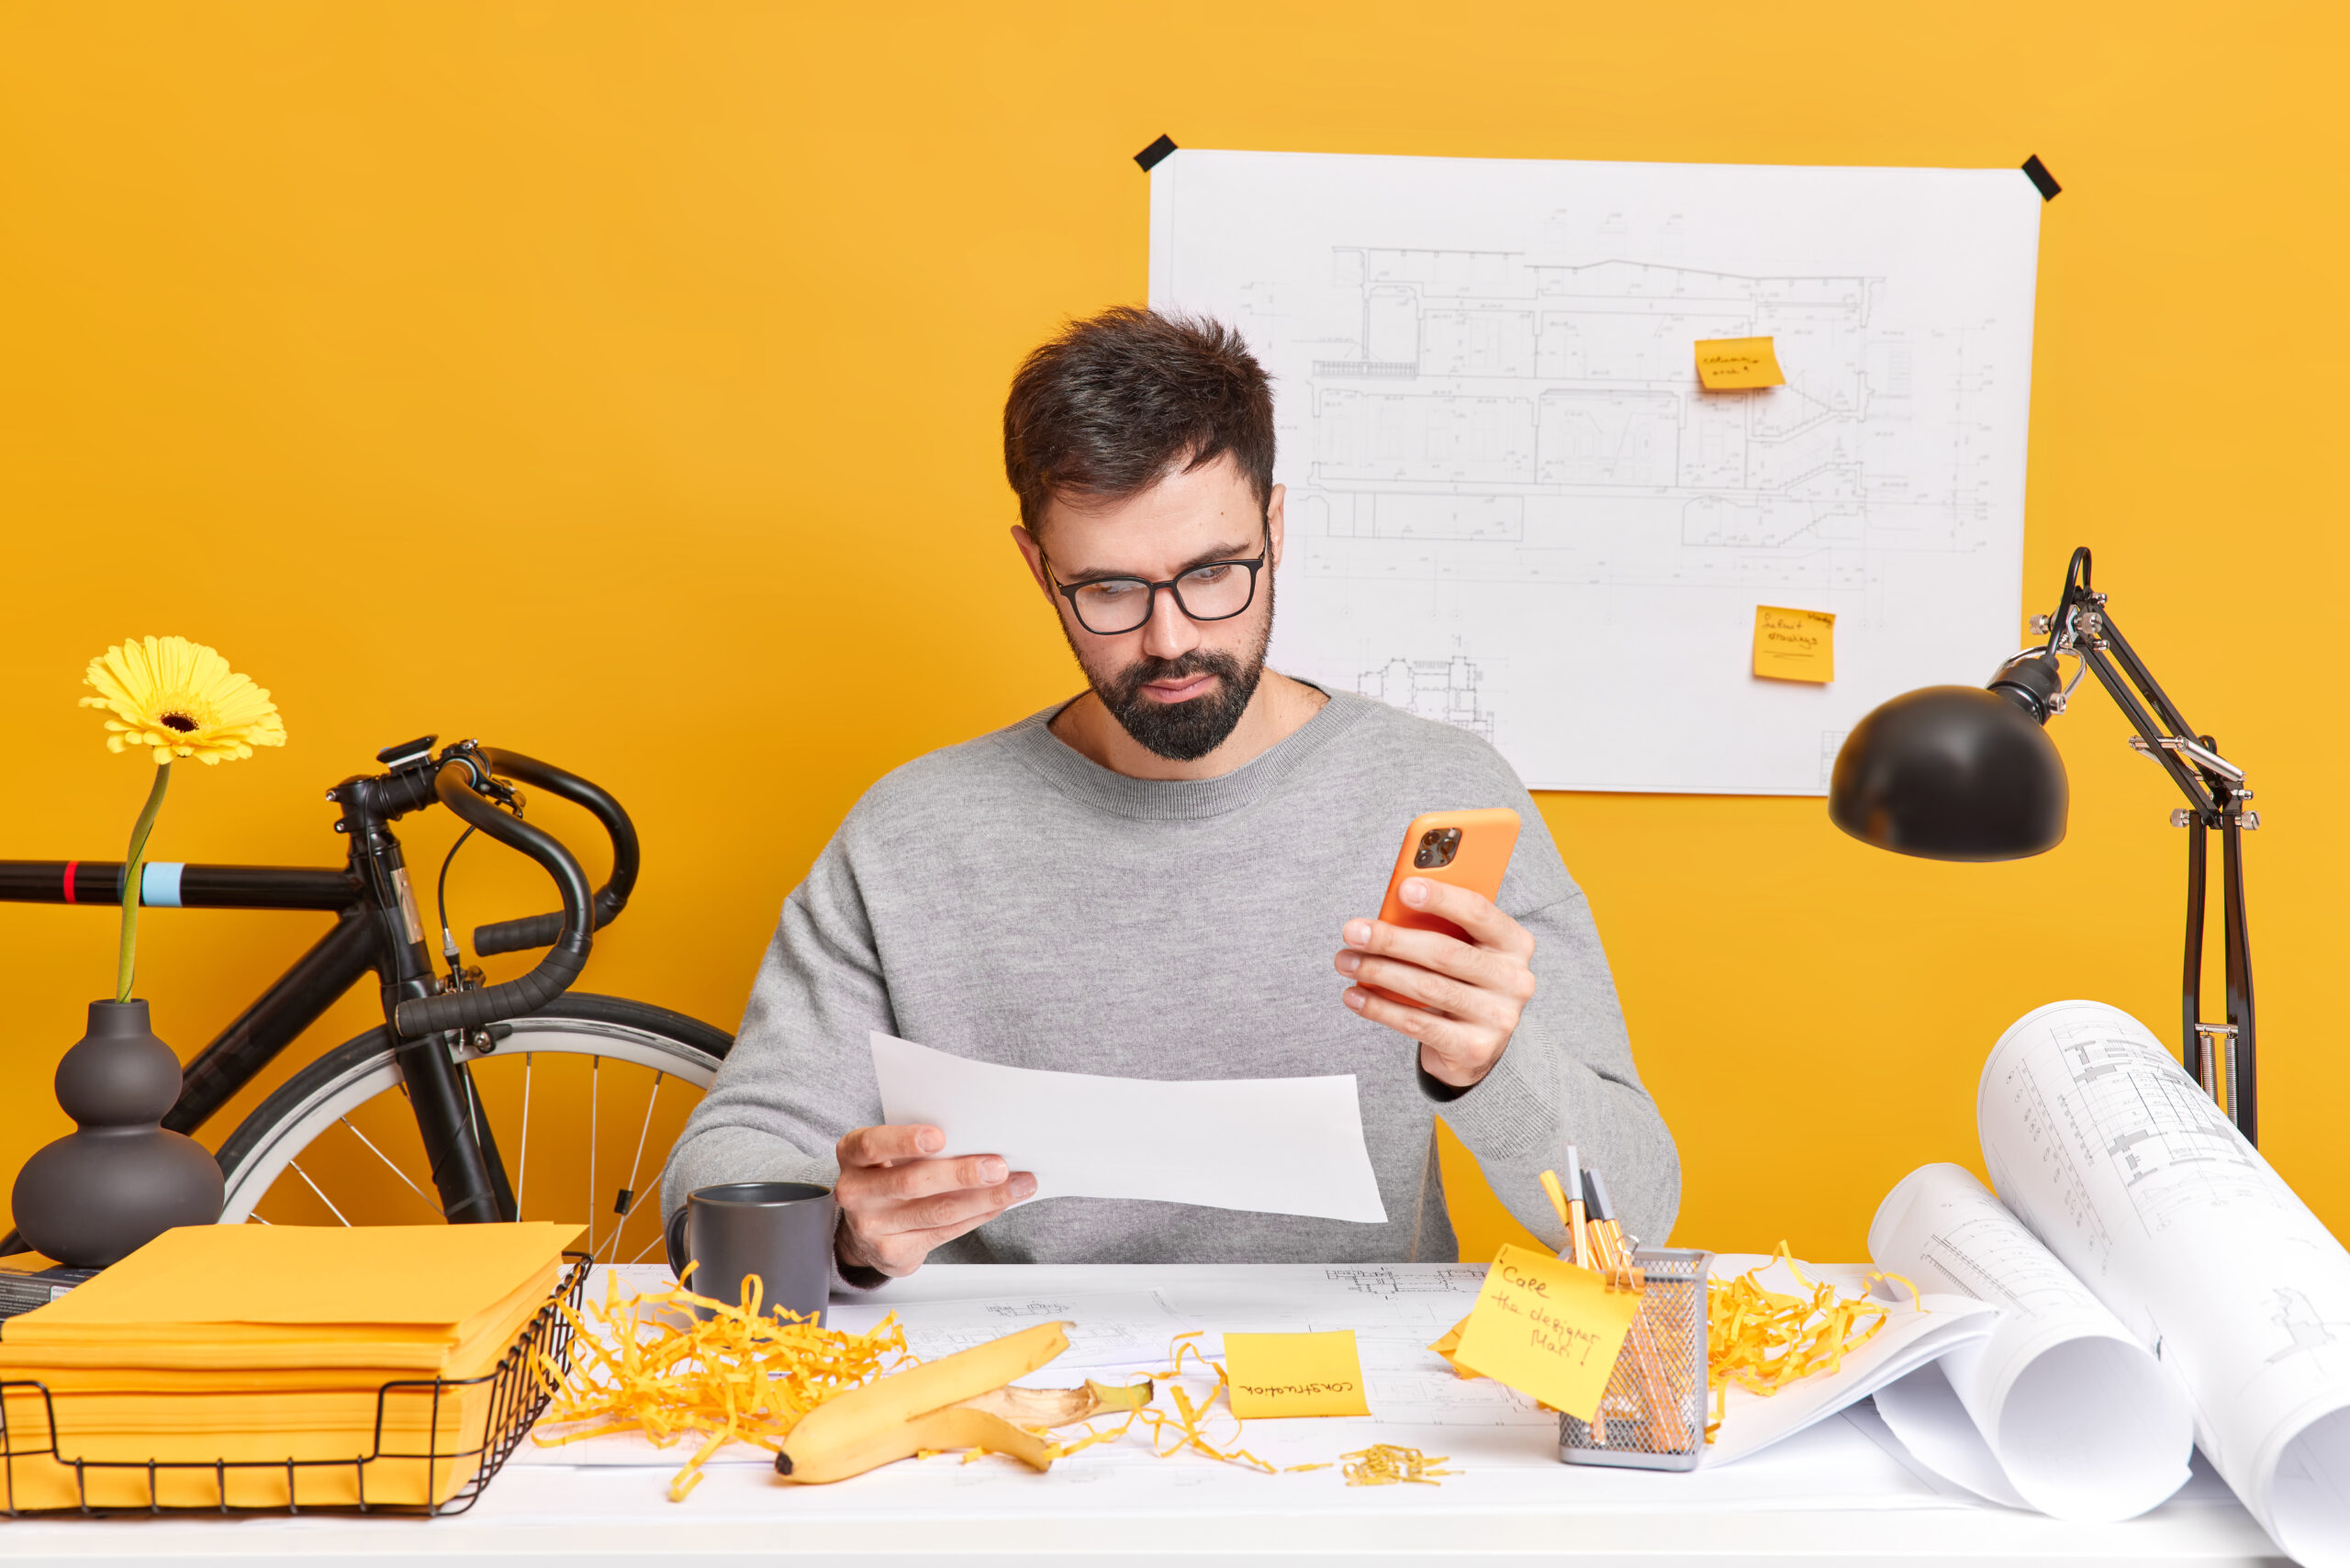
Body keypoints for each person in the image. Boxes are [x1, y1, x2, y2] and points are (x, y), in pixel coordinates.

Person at [665, 307, 1677, 1285]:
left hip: (1357, 1407)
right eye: (1108, 590)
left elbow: (1640, 1210)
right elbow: (724, 1164)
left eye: (1212, 573)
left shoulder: (1436, 796)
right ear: (1037, 566)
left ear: (1274, 527)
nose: (1170, 640)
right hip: (1008, 1387)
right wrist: (843, 1230)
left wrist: (1496, 1068)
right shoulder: (912, 834)